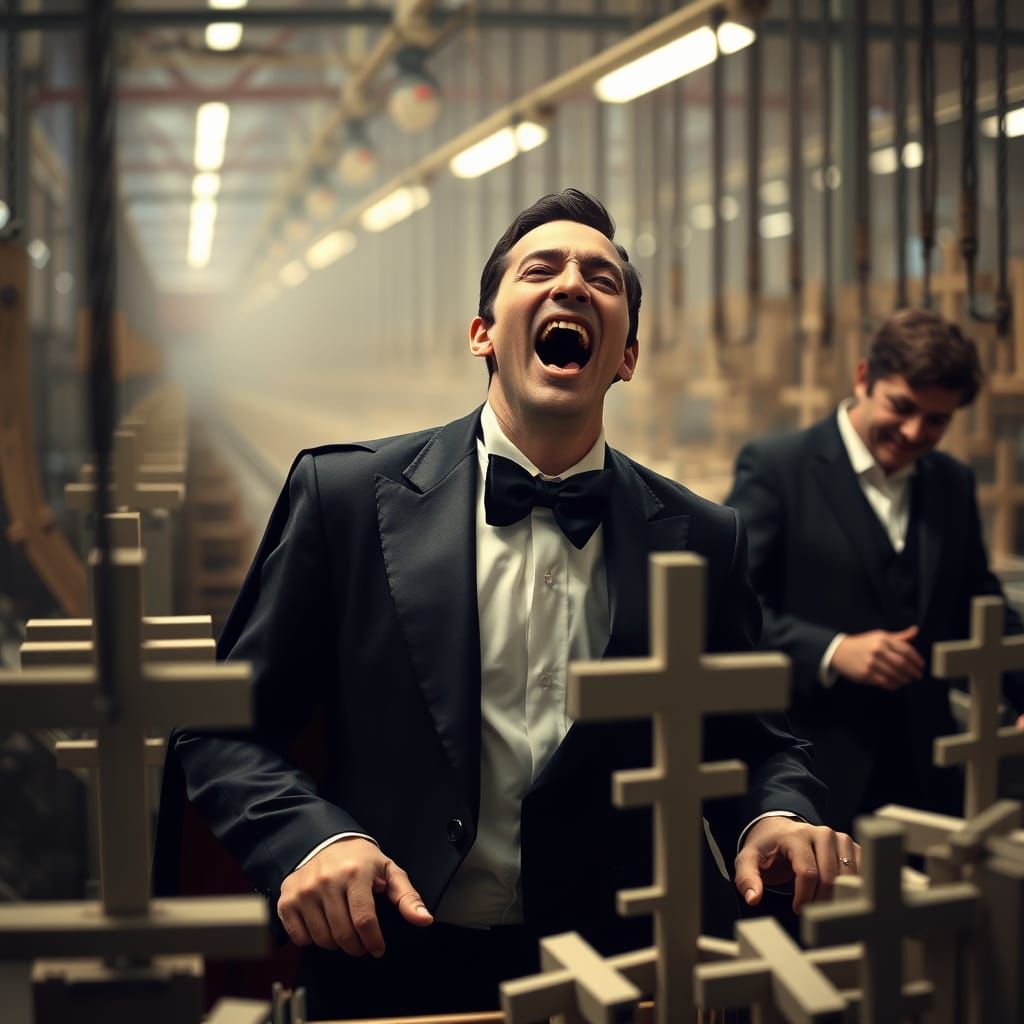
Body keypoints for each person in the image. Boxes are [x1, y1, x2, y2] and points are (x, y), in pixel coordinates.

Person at [159, 190, 851, 1020]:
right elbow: (223, 731)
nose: (572, 284)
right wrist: (314, 839)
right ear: (482, 333)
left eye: (602, 277)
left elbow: (756, 742)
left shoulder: (703, 537)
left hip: (618, 975)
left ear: (627, 355)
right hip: (391, 959)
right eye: (541, 269)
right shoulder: (344, 499)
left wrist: (775, 813)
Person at [726, 308, 1024, 836]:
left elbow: (980, 601)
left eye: (937, 421)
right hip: (815, 764)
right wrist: (833, 649)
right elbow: (731, 609)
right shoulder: (778, 469)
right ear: (864, 378)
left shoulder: (951, 481)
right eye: (902, 407)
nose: (914, 432)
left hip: (931, 766)